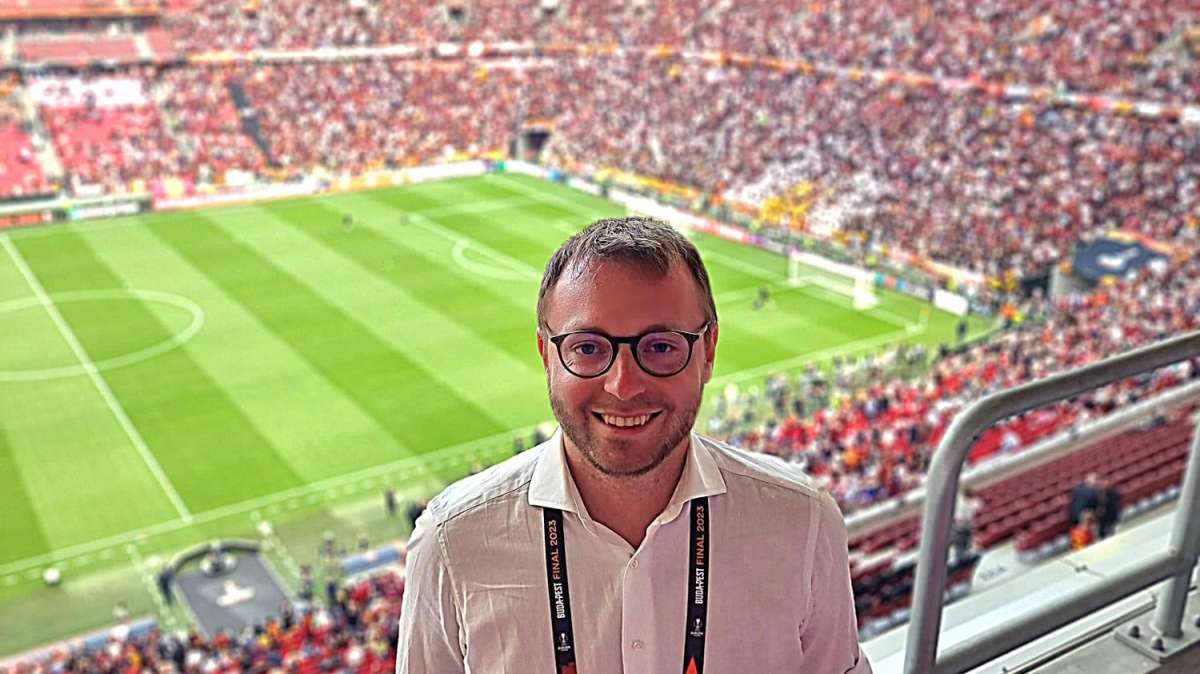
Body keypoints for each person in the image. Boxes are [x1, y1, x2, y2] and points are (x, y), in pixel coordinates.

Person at [397, 217, 871, 673]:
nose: (623, 386)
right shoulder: (451, 542)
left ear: (708, 351)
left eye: (660, 347)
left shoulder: (802, 521)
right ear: (546, 355)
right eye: (588, 348)